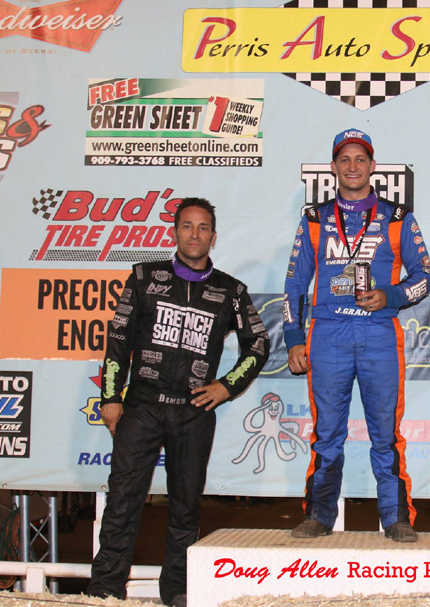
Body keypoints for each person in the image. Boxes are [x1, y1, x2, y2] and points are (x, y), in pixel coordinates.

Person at [87, 197, 269, 607]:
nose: (194, 234)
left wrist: (227, 386)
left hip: (194, 411)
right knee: (122, 502)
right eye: (187, 226)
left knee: (186, 507)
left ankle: (178, 590)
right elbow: (118, 340)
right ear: (174, 232)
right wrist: (110, 398)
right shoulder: (143, 277)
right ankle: (105, 591)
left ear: (214, 237)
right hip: (142, 406)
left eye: (203, 227)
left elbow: (258, 344)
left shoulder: (231, 290)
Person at [283, 128, 430, 543]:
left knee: (386, 434)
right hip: (327, 334)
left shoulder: (398, 218)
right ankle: (318, 514)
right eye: (345, 159)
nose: (353, 166)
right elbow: (295, 283)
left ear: (372, 166)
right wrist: (294, 338)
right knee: (327, 434)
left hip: (379, 332)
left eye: (360, 159)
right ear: (334, 167)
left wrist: (389, 295)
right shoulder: (315, 219)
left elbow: (425, 277)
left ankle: (397, 517)